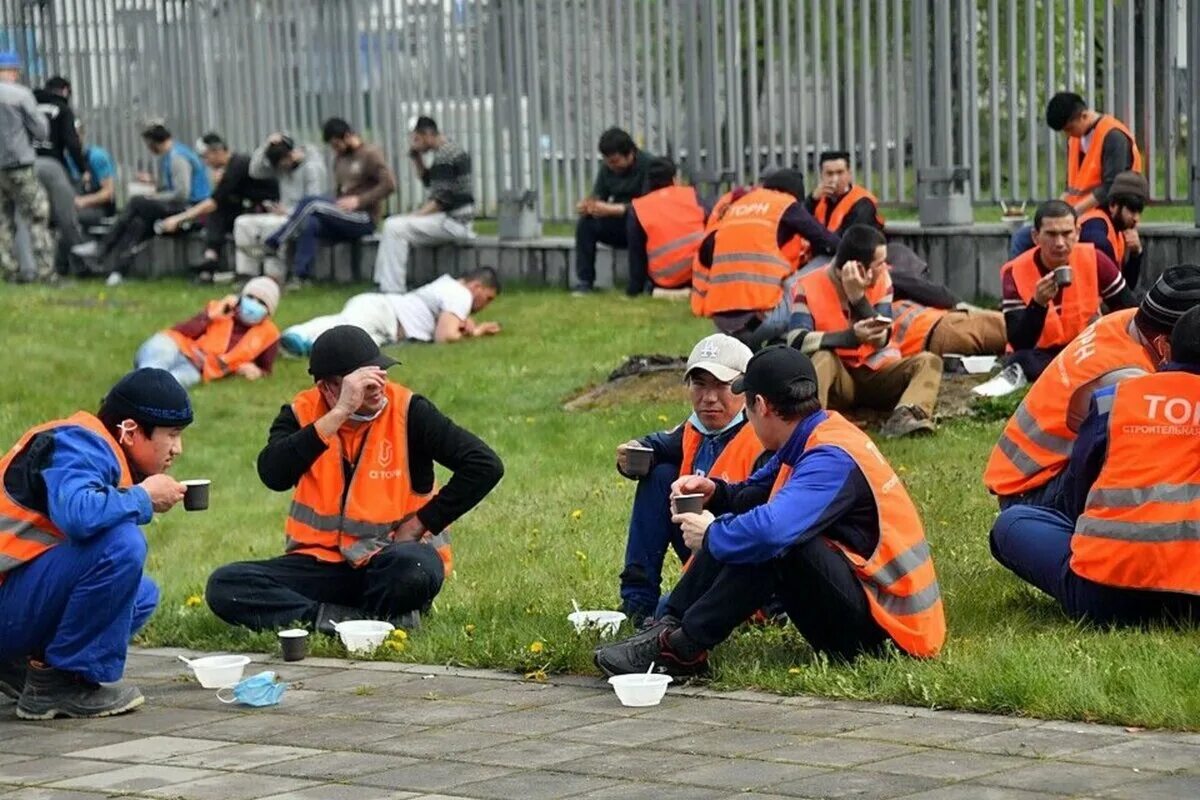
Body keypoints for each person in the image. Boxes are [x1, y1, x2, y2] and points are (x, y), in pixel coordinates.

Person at [593, 346, 945, 676]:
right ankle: (666, 630)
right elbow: (756, 491)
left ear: (759, 405)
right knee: (755, 531)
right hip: (876, 609)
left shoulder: (830, 457)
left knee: (773, 544)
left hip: (894, 639)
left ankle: (683, 648)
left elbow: (770, 532)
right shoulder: (817, 432)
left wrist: (711, 534)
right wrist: (715, 492)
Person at [205, 325, 504, 633]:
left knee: (415, 569)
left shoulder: (409, 410)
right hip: (319, 566)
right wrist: (340, 413)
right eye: (360, 381)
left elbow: (485, 465)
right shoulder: (302, 413)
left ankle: (356, 617)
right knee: (226, 585)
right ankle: (336, 620)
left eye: (379, 372)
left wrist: (417, 526)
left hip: (388, 559)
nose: (377, 385)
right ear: (328, 388)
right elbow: (273, 474)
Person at [0, 368, 192, 719]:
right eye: (173, 435)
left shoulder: (94, 447)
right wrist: (142, 497)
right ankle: (57, 687)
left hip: (11, 596)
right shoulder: (80, 443)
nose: (177, 449)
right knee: (121, 545)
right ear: (131, 431)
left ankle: (26, 667)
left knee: (140, 594)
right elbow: (78, 514)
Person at [989, 306, 1200, 625]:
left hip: (1105, 594)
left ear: (1166, 350)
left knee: (1011, 524)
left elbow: (1080, 490)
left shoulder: (1113, 399)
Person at [982, 265, 1200, 509]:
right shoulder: (1129, 379)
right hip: (1033, 493)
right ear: (1163, 345)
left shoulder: (1124, 321)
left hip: (1028, 478)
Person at [616, 334, 762, 625]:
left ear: (746, 390)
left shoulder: (762, 435)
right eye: (699, 385)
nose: (709, 398)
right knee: (658, 476)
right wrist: (630, 455)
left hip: (747, 565)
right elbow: (658, 444)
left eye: (721, 385)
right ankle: (636, 602)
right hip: (701, 550)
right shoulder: (693, 429)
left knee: (668, 613)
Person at [787, 225, 943, 438]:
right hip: (838, 379)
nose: (885, 267)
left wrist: (858, 300)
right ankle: (809, 427)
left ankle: (905, 417)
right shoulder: (808, 285)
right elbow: (795, 340)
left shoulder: (882, 280)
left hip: (876, 372)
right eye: (880, 263)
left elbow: (883, 337)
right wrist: (848, 338)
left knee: (929, 361)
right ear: (859, 268)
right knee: (822, 357)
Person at [977, 200, 1136, 398]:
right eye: (1051, 235)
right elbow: (1019, 342)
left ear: (1077, 233)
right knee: (1020, 360)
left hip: (1085, 351)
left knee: (1123, 350)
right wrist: (1038, 304)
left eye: (1066, 233)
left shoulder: (1095, 259)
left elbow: (1130, 309)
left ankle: (1075, 373)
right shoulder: (1015, 271)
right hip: (1041, 355)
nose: (1060, 243)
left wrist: (1104, 328)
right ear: (1036, 237)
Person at [692, 168, 840, 344]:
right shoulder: (784, 204)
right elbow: (829, 241)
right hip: (759, 323)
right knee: (829, 261)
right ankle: (794, 339)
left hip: (721, 324)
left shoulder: (739, 205)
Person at [263, 117, 396, 288]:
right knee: (310, 222)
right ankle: (300, 276)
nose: (335, 150)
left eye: (336, 145)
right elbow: (339, 191)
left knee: (311, 204)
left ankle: (275, 241)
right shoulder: (339, 159)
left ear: (347, 136)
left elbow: (389, 184)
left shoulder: (370, 154)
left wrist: (360, 200)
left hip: (363, 217)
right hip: (342, 214)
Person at [74, 122, 211, 287]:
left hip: (191, 209)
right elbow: (172, 187)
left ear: (154, 142)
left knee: (136, 202)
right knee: (138, 223)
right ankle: (117, 272)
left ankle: (102, 248)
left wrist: (153, 197)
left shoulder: (177, 157)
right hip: (182, 205)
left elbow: (182, 193)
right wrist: (152, 182)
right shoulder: (171, 155)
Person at [1009, 93, 1142, 257]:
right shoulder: (1076, 139)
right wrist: (1053, 211)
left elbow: (1110, 188)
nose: (1068, 134)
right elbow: (1070, 187)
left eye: (1069, 128)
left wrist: (1070, 213)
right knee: (1022, 238)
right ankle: (1019, 282)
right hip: (1076, 214)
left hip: (1103, 214)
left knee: (1094, 241)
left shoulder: (1114, 136)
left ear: (1084, 115)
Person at [280, 267, 502, 356]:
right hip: (385, 312)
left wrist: (466, 326)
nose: (485, 305)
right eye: (488, 297)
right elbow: (444, 336)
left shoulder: (449, 287)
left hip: (389, 326)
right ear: (476, 287)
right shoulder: (461, 294)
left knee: (357, 349)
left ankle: (312, 347)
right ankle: (296, 333)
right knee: (348, 327)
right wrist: (476, 332)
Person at [157, 133, 279, 283]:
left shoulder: (238, 165)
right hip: (248, 208)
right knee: (219, 210)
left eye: (206, 156)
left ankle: (213, 258)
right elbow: (221, 198)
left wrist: (178, 219)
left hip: (266, 210)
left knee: (215, 209)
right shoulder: (229, 168)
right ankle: (211, 258)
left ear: (218, 151)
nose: (205, 162)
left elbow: (213, 202)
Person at [374, 116, 475, 294]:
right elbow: (431, 182)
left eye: (416, 138)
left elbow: (441, 200)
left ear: (428, 134)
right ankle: (384, 284)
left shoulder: (446, 155)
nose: (414, 142)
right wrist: (417, 158)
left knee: (394, 227)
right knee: (394, 224)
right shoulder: (446, 151)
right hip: (452, 220)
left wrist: (413, 217)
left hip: (455, 223)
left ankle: (391, 289)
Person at [133, 276, 282, 387]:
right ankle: (135, 391)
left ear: (269, 312)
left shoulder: (269, 334)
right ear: (240, 298)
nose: (253, 304)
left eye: (261, 302)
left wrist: (256, 372)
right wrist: (210, 316)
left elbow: (265, 369)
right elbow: (182, 330)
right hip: (176, 346)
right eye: (250, 297)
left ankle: (131, 395)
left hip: (198, 369)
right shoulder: (220, 308)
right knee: (155, 367)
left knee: (169, 386)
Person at [572, 127, 655, 294]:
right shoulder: (608, 169)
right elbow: (599, 194)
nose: (612, 166)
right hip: (618, 225)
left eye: (616, 161)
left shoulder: (649, 165)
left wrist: (617, 209)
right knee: (586, 225)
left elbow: (651, 205)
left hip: (643, 226)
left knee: (635, 222)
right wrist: (589, 205)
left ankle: (641, 283)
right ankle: (585, 281)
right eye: (608, 161)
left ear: (630, 153)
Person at [235, 133, 327, 282]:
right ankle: (246, 274)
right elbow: (254, 171)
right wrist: (266, 145)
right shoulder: (281, 166)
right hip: (280, 213)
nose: (281, 169)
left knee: (274, 226)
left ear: (291, 155)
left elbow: (315, 203)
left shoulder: (312, 168)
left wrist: (289, 211)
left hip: (299, 217)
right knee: (242, 223)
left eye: (283, 164)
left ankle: (275, 276)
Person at [0, 50, 55, 284]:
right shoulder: (21, 95)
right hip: (20, 165)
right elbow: (41, 131)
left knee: (3, 220)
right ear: (12, 71)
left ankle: (8, 271)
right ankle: (45, 272)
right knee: (37, 215)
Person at [626, 157, 706, 297]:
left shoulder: (640, 207)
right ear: (674, 178)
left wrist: (634, 289)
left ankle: (656, 291)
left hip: (664, 278)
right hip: (698, 273)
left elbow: (636, 254)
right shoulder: (691, 195)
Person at [32, 76, 86, 268]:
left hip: (25, 165)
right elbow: (72, 143)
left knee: (32, 217)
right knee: (66, 216)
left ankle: (31, 266)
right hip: (52, 165)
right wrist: (83, 169)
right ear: (64, 90)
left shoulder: (29, 104)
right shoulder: (63, 109)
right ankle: (82, 264)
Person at [1078, 171, 1147, 290]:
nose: (1136, 218)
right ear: (1113, 205)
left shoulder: (1116, 229)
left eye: (1139, 212)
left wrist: (1136, 254)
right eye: (1131, 210)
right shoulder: (1097, 235)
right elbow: (1121, 294)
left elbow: (1125, 288)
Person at [890, 299, 1007, 358]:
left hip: (933, 343)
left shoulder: (886, 306)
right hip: (944, 329)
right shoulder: (887, 305)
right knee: (1015, 327)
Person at [805, 150, 885, 236]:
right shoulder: (817, 198)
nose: (835, 179)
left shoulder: (863, 202)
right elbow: (795, 221)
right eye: (829, 173)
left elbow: (847, 239)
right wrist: (811, 200)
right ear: (821, 175)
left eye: (840, 173)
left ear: (849, 174)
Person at [66, 120, 117, 228]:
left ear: (82, 134)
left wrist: (83, 202)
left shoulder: (96, 157)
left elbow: (108, 193)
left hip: (98, 209)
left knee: (70, 218)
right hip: (73, 206)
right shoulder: (65, 159)